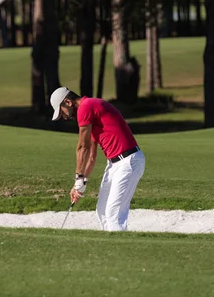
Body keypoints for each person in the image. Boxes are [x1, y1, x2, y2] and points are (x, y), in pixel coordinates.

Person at [50, 87, 145, 231]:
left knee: (113, 215)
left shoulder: (86, 107)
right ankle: (109, 248)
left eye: (62, 112)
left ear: (68, 102)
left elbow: (83, 147)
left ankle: (120, 249)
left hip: (128, 161)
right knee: (102, 212)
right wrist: (81, 183)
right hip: (115, 164)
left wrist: (78, 177)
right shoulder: (91, 115)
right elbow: (92, 157)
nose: (64, 117)